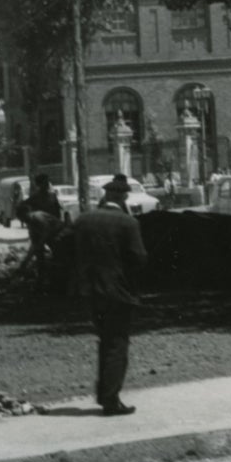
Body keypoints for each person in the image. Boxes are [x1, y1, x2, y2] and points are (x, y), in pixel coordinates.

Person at [74, 174, 147, 417]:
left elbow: (66, 248)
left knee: (105, 341)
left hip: (90, 292)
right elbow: (139, 259)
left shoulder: (84, 220)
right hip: (118, 293)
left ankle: (104, 393)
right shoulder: (128, 223)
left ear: (105, 196)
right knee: (117, 345)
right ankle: (111, 399)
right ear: (124, 197)